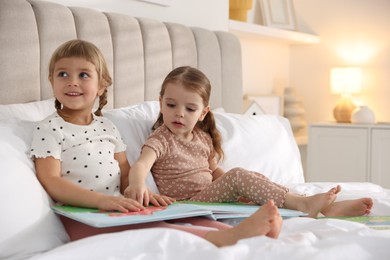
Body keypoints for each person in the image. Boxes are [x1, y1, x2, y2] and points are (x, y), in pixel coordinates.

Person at [30, 39, 282, 247]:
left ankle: (234, 229)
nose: (72, 81)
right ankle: (223, 238)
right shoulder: (49, 129)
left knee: (177, 221)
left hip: (117, 207)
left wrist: (142, 193)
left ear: (101, 85)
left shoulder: (107, 127)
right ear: (52, 80)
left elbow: (126, 174)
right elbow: (51, 181)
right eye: (63, 74)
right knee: (157, 232)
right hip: (81, 216)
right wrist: (100, 201)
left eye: (83, 74)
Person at [125, 66, 373, 218]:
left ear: (202, 112)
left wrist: (237, 182)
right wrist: (138, 186)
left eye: (189, 108)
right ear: (161, 104)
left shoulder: (202, 138)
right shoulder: (161, 138)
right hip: (189, 203)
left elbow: (214, 172)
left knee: (255, 181)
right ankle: (304, 204)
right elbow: (141, 164)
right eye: (171, 105)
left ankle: (325, 208)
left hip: (211, 195)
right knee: (239, 177)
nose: (179, 113)